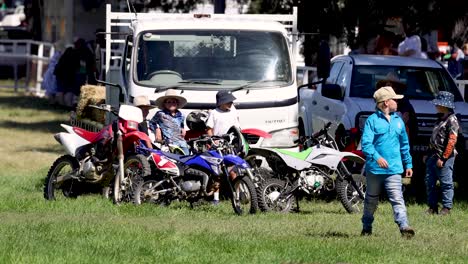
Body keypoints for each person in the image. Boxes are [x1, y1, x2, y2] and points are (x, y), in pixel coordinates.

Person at [361, 86, 415, 238]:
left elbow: (405, 145)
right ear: (385, 103)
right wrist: (377, 157)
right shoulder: (372, 121)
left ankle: (404, 226)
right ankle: (366, 226)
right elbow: (366, 144)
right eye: (394, 99)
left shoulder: (399, 121)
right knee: (371, 199)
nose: (397, 102)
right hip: (375, 170)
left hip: (394, 169)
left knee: (397, 198)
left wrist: (408, 164)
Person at [425, 92, 459, 215]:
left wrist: (444, 158)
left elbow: (452, 140)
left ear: (444, 105)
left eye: (438, 103)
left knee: (446, 182)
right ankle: (432, 206)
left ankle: (446, 207)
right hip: (433, 155)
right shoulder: (440, 118)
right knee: (430, 181)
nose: (436, 106)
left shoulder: (452, 120)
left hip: (445, 157)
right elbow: (434, 138)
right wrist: (428, 153)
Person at [150, 89, 189, 155]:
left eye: (173, 102)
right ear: (164, 104)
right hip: (169, 143)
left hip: (182, 142)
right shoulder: (160, 114)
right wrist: (157, 129)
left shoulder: (181, 115)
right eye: (169, 102)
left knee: (187, 159)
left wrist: (183, 128)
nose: (171, 104)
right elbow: (152, 122)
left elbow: (181, 124)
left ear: (177, 104)